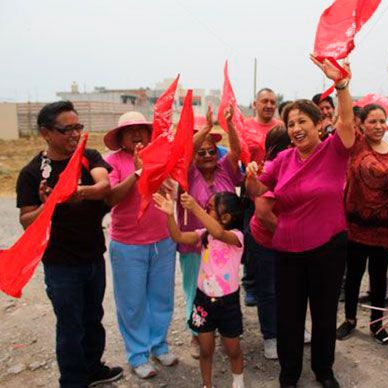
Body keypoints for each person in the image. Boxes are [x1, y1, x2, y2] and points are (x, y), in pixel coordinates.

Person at [245, 56, 355, 388]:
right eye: (290, 123)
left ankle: (324, 370)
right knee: (289, 317)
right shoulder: (281, 159)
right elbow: (258, 190)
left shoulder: (335, 151)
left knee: (323, 315)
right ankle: (289, 374)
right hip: (289, 250)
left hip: (329, 247)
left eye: (301, 121)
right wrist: (250, 176)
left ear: (319, 123)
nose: (295, 128)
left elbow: (347, 123)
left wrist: (342, 85)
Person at [16, 101, 123, 387]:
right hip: (61, 265)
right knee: (69, 326)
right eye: (67, 129)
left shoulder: (88, 157)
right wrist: (50, 203)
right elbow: (27, 221)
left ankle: (92, 368)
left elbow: (105, 187)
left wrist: (77, 192)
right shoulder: (32, 173)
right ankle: (73, 380)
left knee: (93, 318)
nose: (75, 134)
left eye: (78, 127)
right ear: (46, 133)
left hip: (93, 258)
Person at [104, 111, 178, 379]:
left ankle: (159, 345)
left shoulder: (161, 156)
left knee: (162, 297)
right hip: (128, 244)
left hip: (163, 240)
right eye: (130, 130)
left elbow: (175, 186)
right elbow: (111, 198)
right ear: (120, 137)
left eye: (142, 129)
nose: (137, 134)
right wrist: (137, 172)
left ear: (150, 134)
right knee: (132, 303)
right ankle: (137, 354)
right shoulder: (111, 162)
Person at [154, 191, 246, 388]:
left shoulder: (237, 237)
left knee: (233, 350)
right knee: (205, 350)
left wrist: (194, 207)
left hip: (228, 304)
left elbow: (220, 233)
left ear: (226, 217)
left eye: (210, 208)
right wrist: (170, 215)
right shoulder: (204, 234)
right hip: (203, 301)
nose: (204, 209)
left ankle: (238, 382)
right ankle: (207, 385)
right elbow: (177, 236)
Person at [178, 104, 242, 359]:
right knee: (195, 289)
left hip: (225, 246)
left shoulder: (225, 168)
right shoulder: (188, 173)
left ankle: (225, 330)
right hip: (195, 244)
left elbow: (236, 151)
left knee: (224, 287)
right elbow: (184, 153)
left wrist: (230, 125)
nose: (207, 155)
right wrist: (205, 128)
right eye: (201, 152)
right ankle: (197, 334)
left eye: (211, 151)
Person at [335, 104, 388, 344]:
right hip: (355, 225)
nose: (378, 126)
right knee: (353, 275)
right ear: (362, 124)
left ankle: (376, 324)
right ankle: (350, 320)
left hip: (385, 226)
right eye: (372, 121)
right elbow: (344, 119)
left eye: (382, 121)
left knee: (378, 278)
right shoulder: (356, 145)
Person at [246, 126, 291, 359]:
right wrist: (288, 235)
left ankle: (290, 329)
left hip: (287, 239)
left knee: (291, 288)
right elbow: (263, 213)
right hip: (267, 239)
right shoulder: (271, 169)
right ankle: (271, 336)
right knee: (269, 290)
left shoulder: (299, 163)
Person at [242, 88, 281, 306]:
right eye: (264, 101)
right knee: (251, 238)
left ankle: (269, 282)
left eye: (272, 101)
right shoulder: (246, 127)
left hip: (274, 191)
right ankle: (251, 284)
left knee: (270, 239)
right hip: (251, 189)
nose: (268, 105)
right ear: (255, 103)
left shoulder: (281, 127)